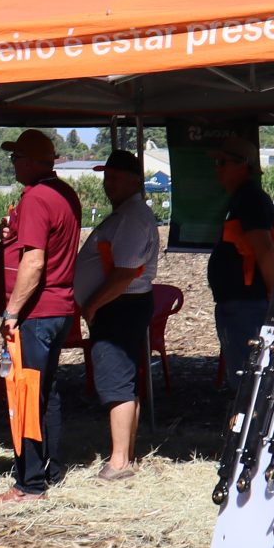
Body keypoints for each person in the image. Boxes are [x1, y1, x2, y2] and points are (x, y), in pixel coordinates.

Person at [0, 129, 82, 503]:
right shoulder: (65, 195)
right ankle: (50, 468)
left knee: (26, 394)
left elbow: (34, 261)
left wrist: (12, 312)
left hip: (37, 311)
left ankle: (29, 483)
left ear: (31, 162)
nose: (13, 165)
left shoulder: (36, 198)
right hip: (60, 308)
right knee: (46, 392)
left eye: (16, 159)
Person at [74, 149, 161, 481]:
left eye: (114, 177)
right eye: (106, 177)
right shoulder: (129, 214)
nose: (108, 184)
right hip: (122, 304)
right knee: (122, 380)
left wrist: (93, 304)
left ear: (134, 180)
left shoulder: (132, 217)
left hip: (120, 305)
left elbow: (124, 272)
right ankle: (125, 455)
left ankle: (119, 462)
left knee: (116, 382)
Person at [206, 135, 274, 396]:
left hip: (247, 305)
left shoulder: (250, 199)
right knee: (245, 374)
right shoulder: (241, 199)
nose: (217, 168)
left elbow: (264, 249)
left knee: (250, 376)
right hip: (239, 304)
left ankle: (256, 432)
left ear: (243, 165)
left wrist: (273, 294)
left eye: (222, 162)